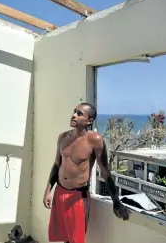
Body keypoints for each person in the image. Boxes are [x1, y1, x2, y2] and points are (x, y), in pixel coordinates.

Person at [43, 102, 129, 243]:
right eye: (74, 111)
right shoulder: (63, 137)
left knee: (76, 240)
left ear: (89, 121)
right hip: (60, 193)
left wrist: (116, 201)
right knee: (64, 237)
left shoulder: (94, 140)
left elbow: (105, 172)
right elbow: (57, 165)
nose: (74, 115)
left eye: (79, 113)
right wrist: (48, 190)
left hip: (78, 197)